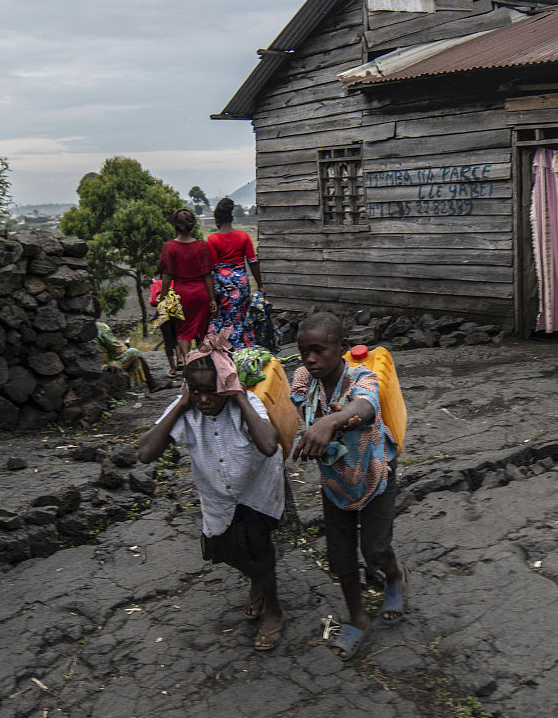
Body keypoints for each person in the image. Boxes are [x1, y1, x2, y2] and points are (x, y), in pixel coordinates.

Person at [137, 331, 286, 651]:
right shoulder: (189, 410)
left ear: (225, 386)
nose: (204, 399)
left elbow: (269, 444)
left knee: (258, 545)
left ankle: (274, 610)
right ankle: (259, 582)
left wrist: (240, 396)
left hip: (257, 487)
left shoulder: (244, 404)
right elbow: (145, 453)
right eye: (196, 391)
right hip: (218, 492)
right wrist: (181, 403)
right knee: (220, 548)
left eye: (211, 391)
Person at [291, 312, 406, 660]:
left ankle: (395, 576)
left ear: (342, 348)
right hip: (336, 484)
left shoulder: (362, 376)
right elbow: (300, 406)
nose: (310, 359)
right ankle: (358, 620)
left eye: (319, 350)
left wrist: (333, 420)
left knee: (375, 550)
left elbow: (366, 406)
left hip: (375, 476)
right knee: (340, 559)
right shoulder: (301, 380)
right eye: (303, 351)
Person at [158, 208, 216, 368]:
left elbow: (167, 275)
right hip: (201, 294)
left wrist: (162, 299)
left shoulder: (169, 247)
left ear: (175, 225)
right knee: (201, 332)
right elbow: (207, 275)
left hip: (181, 295)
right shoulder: (202, 246)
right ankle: (204, 365)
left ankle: (189, 364)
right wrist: (212, 299)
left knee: (183, 332)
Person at [207, 197, 263, 350]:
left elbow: (213, 268)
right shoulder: (244, 236)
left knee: (224, 317)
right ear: (231, 218)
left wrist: (212, 296)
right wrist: (260, 285)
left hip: (222, 283)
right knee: (241, 315)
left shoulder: (212, 239)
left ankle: (225, 347)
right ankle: (244, 346)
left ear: (217, 220)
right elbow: (253, 262)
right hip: (241, 283)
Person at [95, 320, 171, 393]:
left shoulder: (84, 328)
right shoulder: (99, 327)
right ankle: (152, 384)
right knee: (134, 352)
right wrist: (125, 346)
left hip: (95, 365)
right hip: (106, 366)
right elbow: (117, 349)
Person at [149, 277, 179, 378]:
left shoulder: (156, 283)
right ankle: (180, 360)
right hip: (175, 311)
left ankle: (173, 368)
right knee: (178, 337)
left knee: (168, 340)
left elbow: (153, 301)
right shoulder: (176, 281)